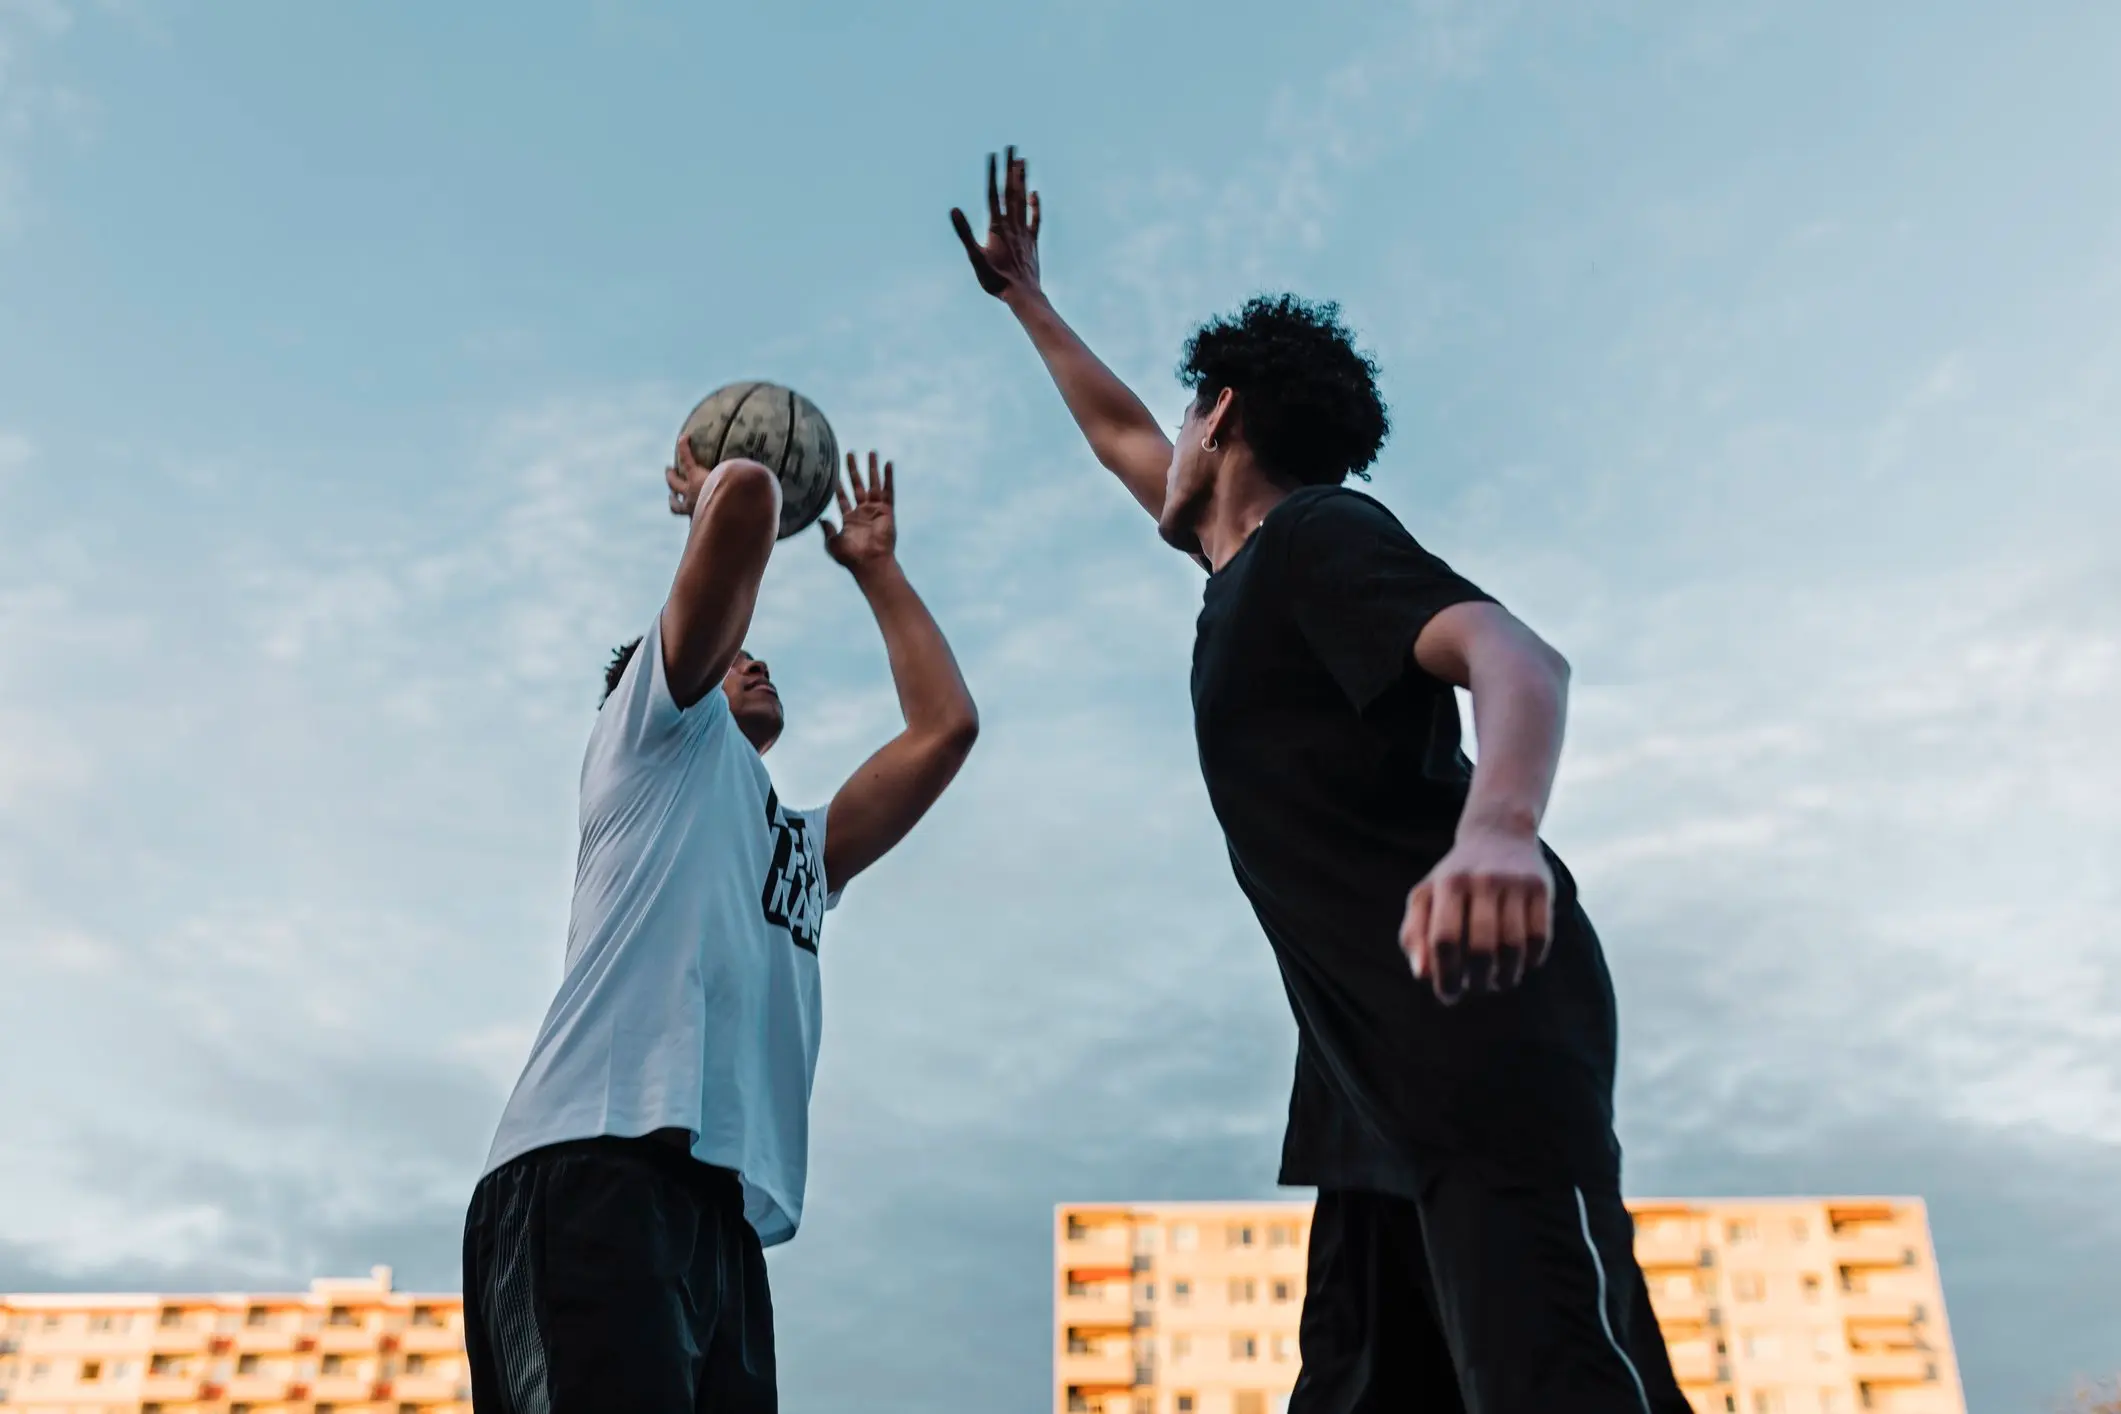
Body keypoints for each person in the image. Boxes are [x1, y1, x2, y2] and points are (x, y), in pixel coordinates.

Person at [953, 149, 1688, 1414]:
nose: (1164, 439)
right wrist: (1028, 300)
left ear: (1224, 415)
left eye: (1188, 415)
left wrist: (1501, 830)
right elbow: (1123, 434)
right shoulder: (1244, 571)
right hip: (1365, 1085)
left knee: (1555, 1378)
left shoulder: (1318, 537)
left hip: (1477, 1009)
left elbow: (1515, 655)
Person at [463, 443, 978, 1412]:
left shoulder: (797, 848)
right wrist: (708, 502)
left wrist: (878, 570)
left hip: (717, 1217)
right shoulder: (651, 735)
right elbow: (747, 492)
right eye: (733, 651)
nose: (756, 657)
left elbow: (943, 728)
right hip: (588, 1166)